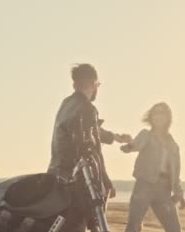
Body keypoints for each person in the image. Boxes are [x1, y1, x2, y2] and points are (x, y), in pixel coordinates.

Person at [47, 63, 130, 197]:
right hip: (77, 179)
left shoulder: (66, 104)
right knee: (88, 217)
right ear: (93, 84)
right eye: (98, 85)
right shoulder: (87, 108)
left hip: (56, 173)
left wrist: (115, 137)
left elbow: (91, 131)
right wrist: (105, 181)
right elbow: (92, 148)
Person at [120, 102, 185, 232]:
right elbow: (135, 145)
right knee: (132, 230)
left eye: (162, 113)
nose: (159, 116)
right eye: (156, 113)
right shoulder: (145, 135)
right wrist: (128, 146)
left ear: (168, 118)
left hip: (164, 191)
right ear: (151, 117)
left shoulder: (173, 145)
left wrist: (179, 191)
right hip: (144, 187)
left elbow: (176, 171)